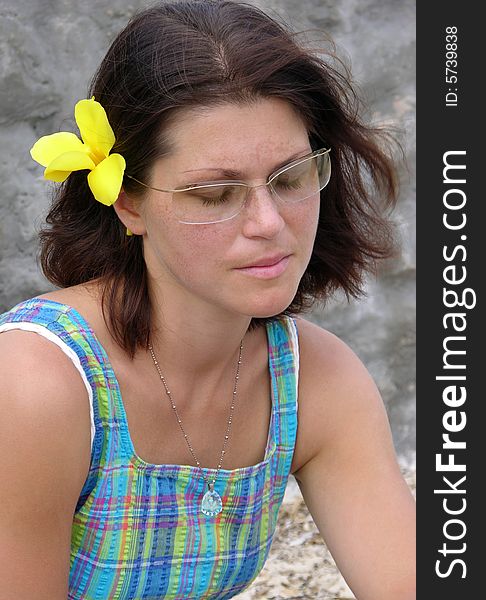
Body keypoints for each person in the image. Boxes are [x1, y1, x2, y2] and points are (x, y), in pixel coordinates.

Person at [0, 1, 415, 598]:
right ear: (128, 203)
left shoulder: (313, 381)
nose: (269, 222)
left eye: (291, 176)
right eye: (215, 194)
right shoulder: (40, 386)